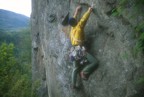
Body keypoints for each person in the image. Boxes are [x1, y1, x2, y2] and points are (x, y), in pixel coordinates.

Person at [68, 5, 98, 89]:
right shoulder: (79, 27)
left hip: (73, 50)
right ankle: (84, 72)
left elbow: (73, 18)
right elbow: (84, 19)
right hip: (79, 49)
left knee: (75, 68)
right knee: (95, 62)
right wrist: (89, 10)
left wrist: (77, 11)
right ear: (75, 21)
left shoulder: (72, 29)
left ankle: (73, 84)